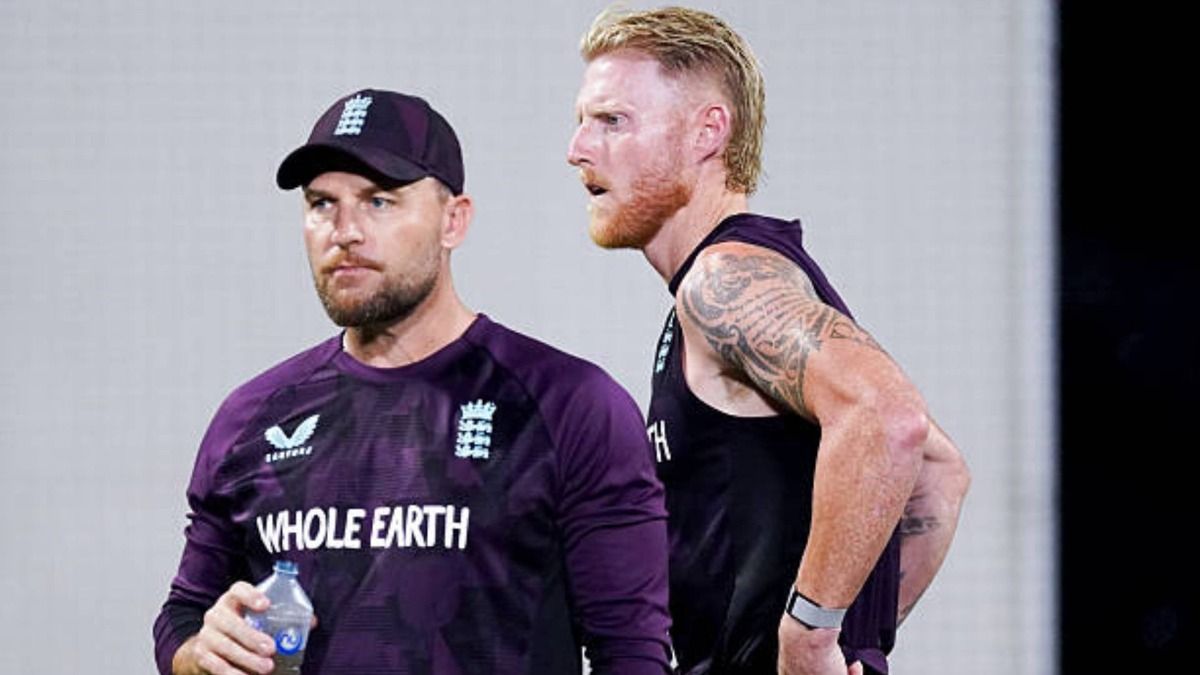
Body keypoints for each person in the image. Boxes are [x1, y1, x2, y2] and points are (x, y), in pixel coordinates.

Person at [153, 88, 672, 675]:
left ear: (454, 220)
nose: (344, 230)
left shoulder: (568, 406)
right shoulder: (253, 418)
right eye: (322, 203)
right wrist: (199, 654)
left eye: (380, 202)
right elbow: (184, 615)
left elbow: (631, 653)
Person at [566, 7, 971, 675]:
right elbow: (936, 473)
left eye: (612, 121)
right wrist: (851, 641)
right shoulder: (740, 275)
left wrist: (809, 636)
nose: (577, 148)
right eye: (582, 121)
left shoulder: (722, 280)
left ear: (707, 132)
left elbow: (889, 417)